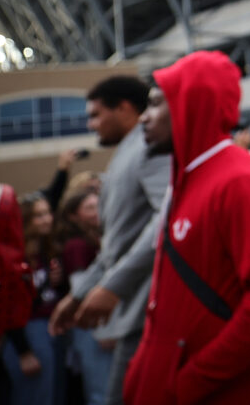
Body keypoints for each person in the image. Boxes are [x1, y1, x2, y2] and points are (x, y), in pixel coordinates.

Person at [122, 51, 250, 404]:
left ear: (190, 103)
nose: (144, 118)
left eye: (156, 104)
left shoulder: (240, 181)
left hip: (231, 391)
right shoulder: (191, 178)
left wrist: (194, 379)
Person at [48, 75, 168, 405]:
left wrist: (113, 286)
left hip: (150, 311)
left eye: (96, 114)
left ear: (125, 108)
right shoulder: (130, 151)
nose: (91, 124)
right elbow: (119, 240)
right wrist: (80, 293)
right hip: (135, 311)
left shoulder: (149, 147)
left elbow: (167, 218)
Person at [2, 192, 69, 405]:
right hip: (28, 331)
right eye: (39, 215)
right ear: (25, 221)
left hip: (53, 325)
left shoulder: (47, 249)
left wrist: (58, 282)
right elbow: (8, 305)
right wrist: (24, 352)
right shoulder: (13, 255)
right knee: (36, 396)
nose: (47, 219)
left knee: (55, 394)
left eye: (48, 213)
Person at [57, 188, 113, 405]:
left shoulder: (98, 238)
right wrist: (103, 330)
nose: (96, 211)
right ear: (73, 215)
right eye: (89, 207)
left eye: (97, 205)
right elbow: (81, 291)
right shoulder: (77, 246)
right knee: (101, 391)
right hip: (90, 326)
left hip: (98, 323)